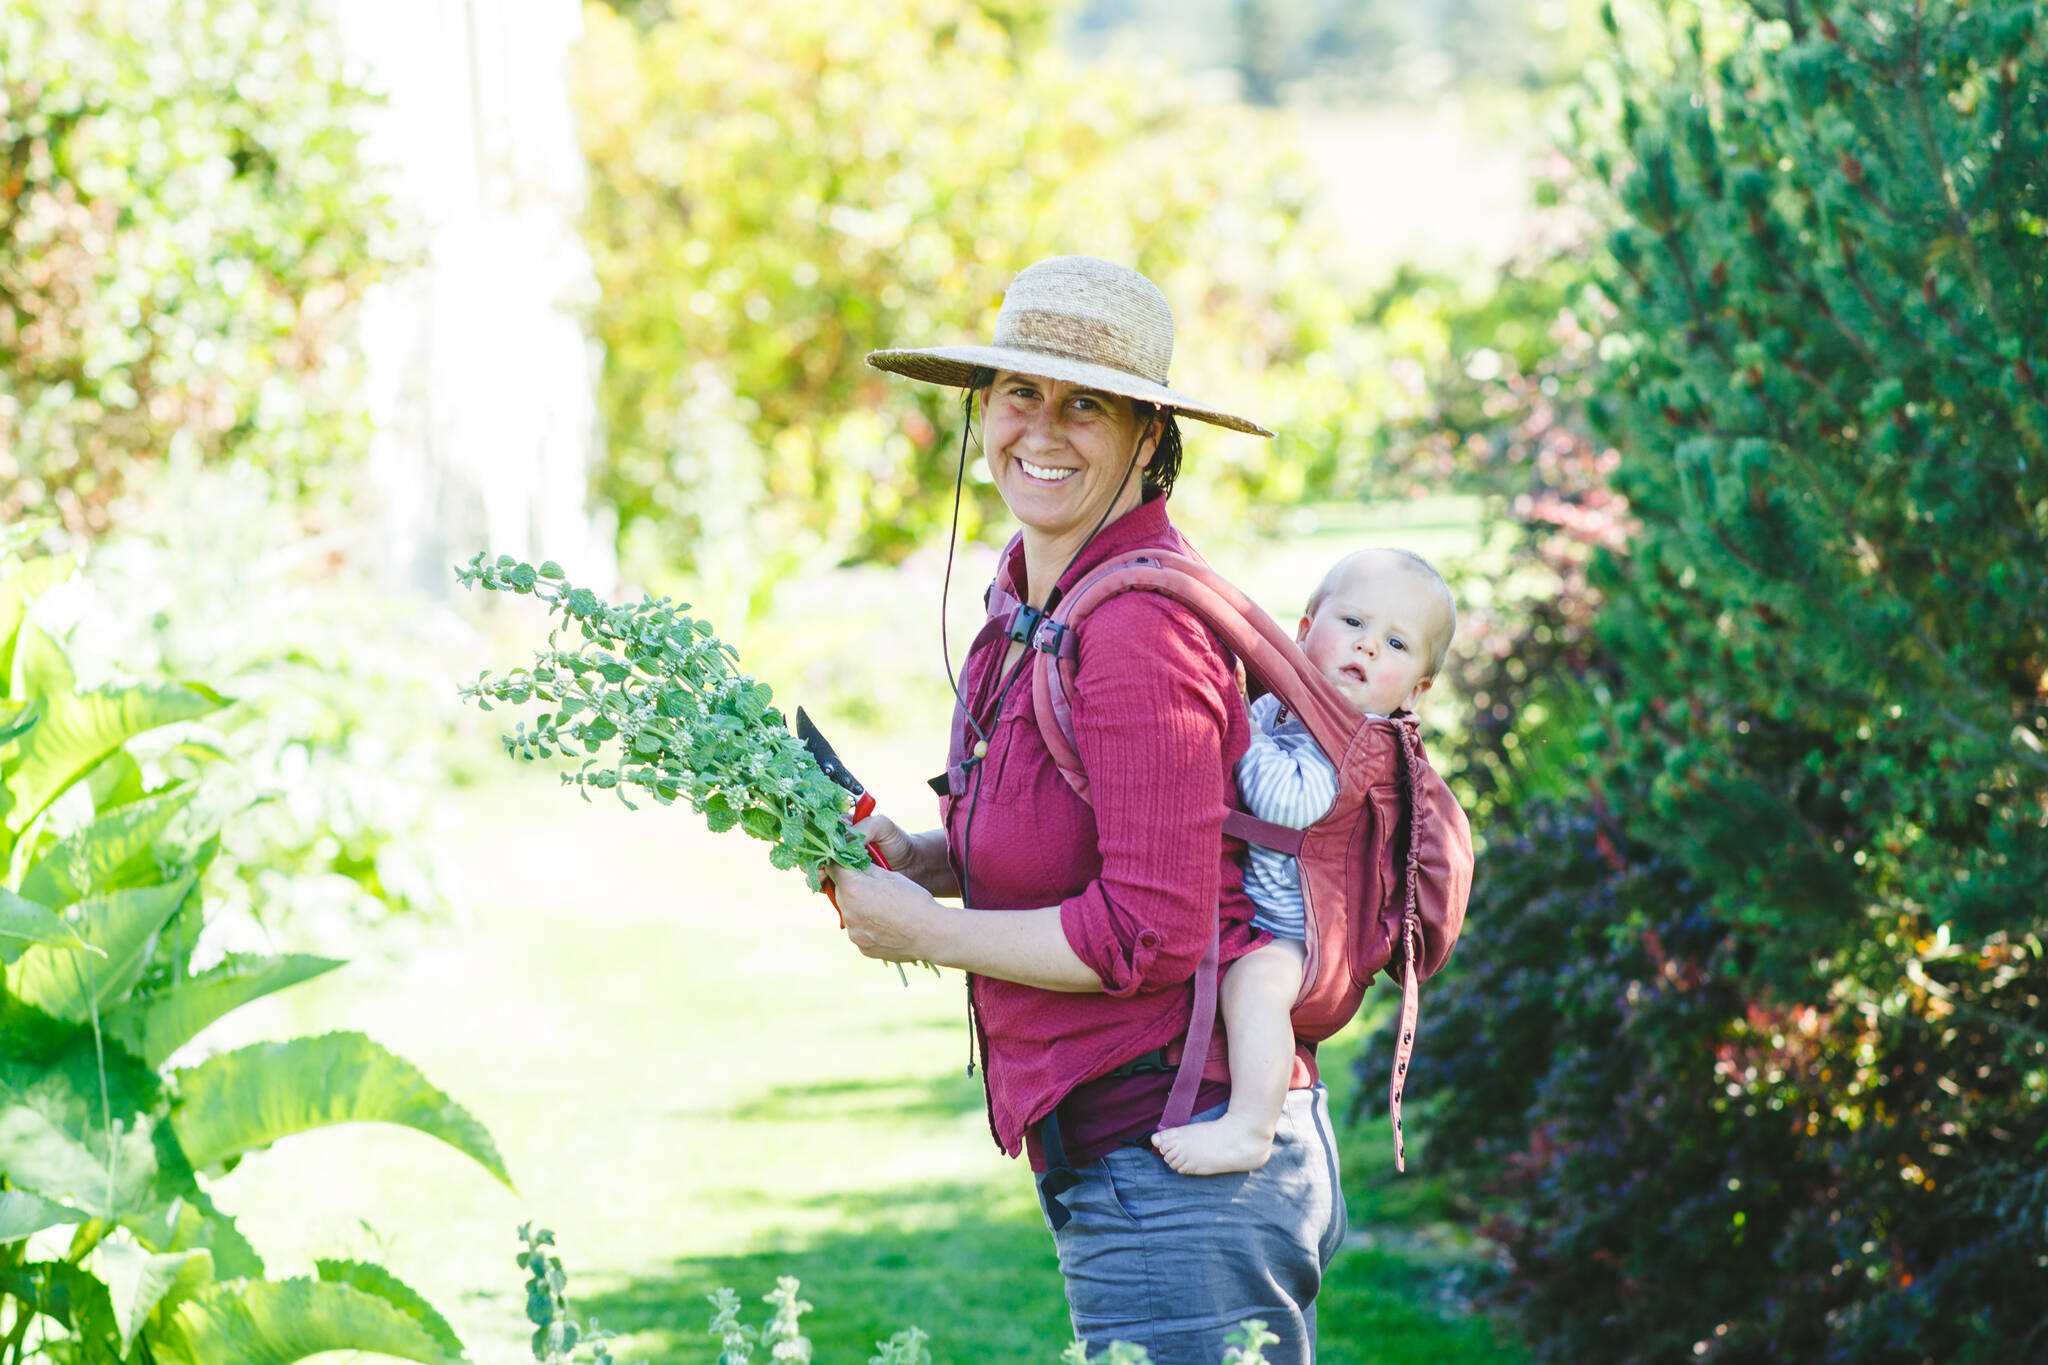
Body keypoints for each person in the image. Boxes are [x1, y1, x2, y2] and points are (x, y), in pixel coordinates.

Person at [826, 255, 1346, 1365]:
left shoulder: (1138, 633)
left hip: (1183, 1156)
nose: (1042, 429)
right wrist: (920, 859)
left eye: (1086, 404)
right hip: (1125, 1149)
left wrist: (924, 933)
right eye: (1020, 392)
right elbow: (1074, 834)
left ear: (1149, 439)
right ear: (983, 408)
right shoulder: (1025, 597)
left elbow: (1147, 929)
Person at [1151, 548, 1457, 1178]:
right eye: (1353, 624)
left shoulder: (1349, 737)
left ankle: (1250, 1128)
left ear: (1417, 689)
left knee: (1253, 988)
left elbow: (1289, 800)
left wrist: (1237, 724)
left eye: (1397, 644)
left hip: (1304, 934)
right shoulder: (1291, 710)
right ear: (1303, 631)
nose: (1368, 648)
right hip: (1269, 907)